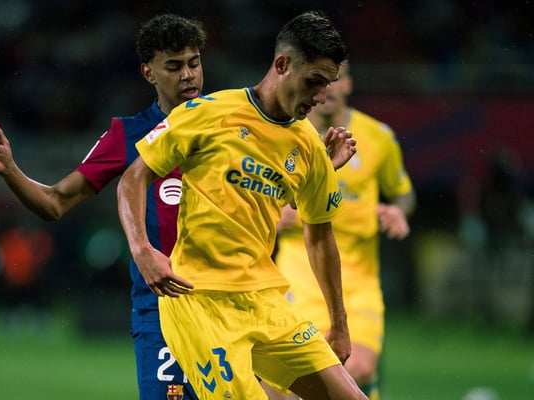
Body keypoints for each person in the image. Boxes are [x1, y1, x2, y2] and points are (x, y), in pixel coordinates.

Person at [117, 10, 367, 400]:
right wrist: (142, 249)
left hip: (266, 301)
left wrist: (340, 323)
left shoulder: (310, 146)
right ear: (282, 65)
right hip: (198, 301)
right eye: (314, 82)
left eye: (328, 84)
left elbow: (320, 235)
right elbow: (133, 178)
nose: (321, 97)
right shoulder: (206, 113)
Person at [0, 14, 206, 400]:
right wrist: (10, 171)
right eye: (174, 66)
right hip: (163, 308)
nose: (188, 75)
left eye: (194, 63)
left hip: (231, 300)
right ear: (148, 73)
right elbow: (55, 202)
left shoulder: (230, 126)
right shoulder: (127, 135)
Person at [274, 62, 416, 399]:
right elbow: (256, 197)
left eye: (336, 79)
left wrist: (398, 210)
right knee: (300, 376)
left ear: (348, 84)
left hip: (359, 278)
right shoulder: (283, 135)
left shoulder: (378, 136)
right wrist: (275, 217)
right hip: (300, 274)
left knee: (359, 367)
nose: (329, 88)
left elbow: (404, 192)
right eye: (320, 80)